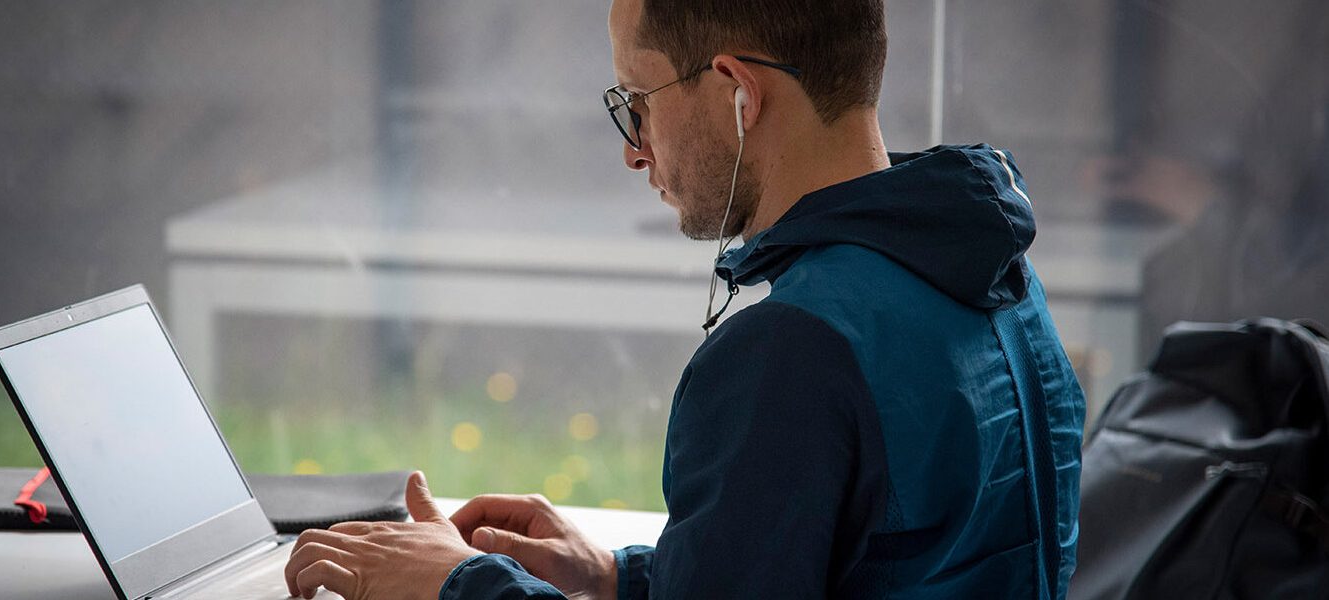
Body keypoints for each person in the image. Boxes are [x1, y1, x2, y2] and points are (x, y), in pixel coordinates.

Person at [283, 0, 1086, 598]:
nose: (634, 151)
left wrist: (458, 583)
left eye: (638, 99)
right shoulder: (998, 280)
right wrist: (618, 576)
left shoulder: (793, 351)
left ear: (738, 91)